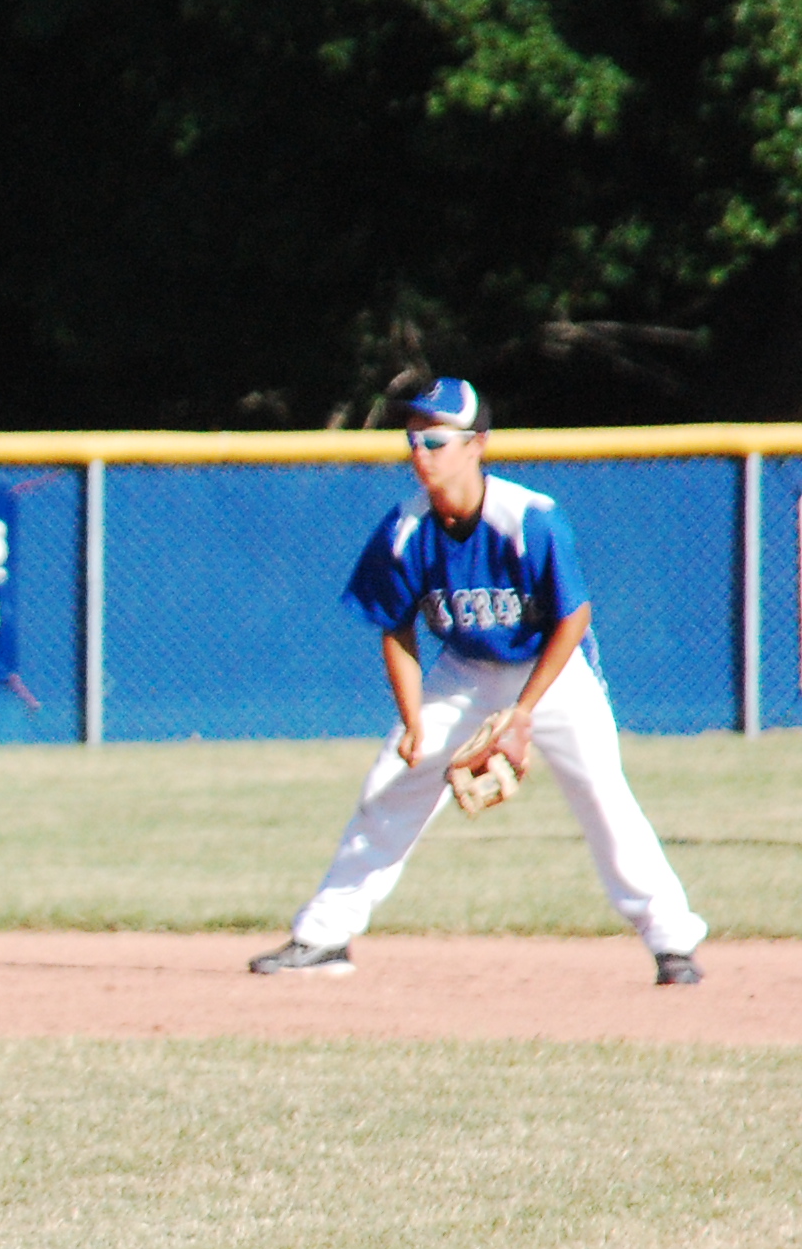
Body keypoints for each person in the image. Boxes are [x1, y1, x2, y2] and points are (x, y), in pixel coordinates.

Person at [248, 375, 707, 985]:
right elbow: (395, 628)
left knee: (603, 797)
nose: (421, 453)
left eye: (436, 441)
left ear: (477, 445)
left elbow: (573, 619)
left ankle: (673, 944)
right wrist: (413, 720)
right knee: (390, 788)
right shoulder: (405, 528)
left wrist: (522, 714)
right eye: (413, 440)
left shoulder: (529, 519)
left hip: (551, 670)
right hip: (463, 672)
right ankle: (324, 938)